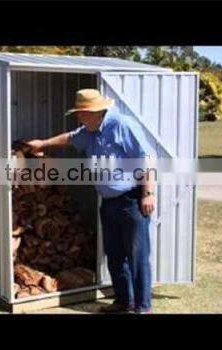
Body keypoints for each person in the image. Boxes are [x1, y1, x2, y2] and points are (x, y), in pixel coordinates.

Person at [27, 89, 155, 314]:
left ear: (95, 112)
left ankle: (143, 308)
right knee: (115, 255)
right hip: (108, 203)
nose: (78, 117)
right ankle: (123, 302)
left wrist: (148, 193)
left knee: (137, 256)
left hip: (131, 201)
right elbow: (69, 138)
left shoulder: (123, 125)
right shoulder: (90, 130)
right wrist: (43, 144)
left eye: (81, 113)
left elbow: (146, 158)